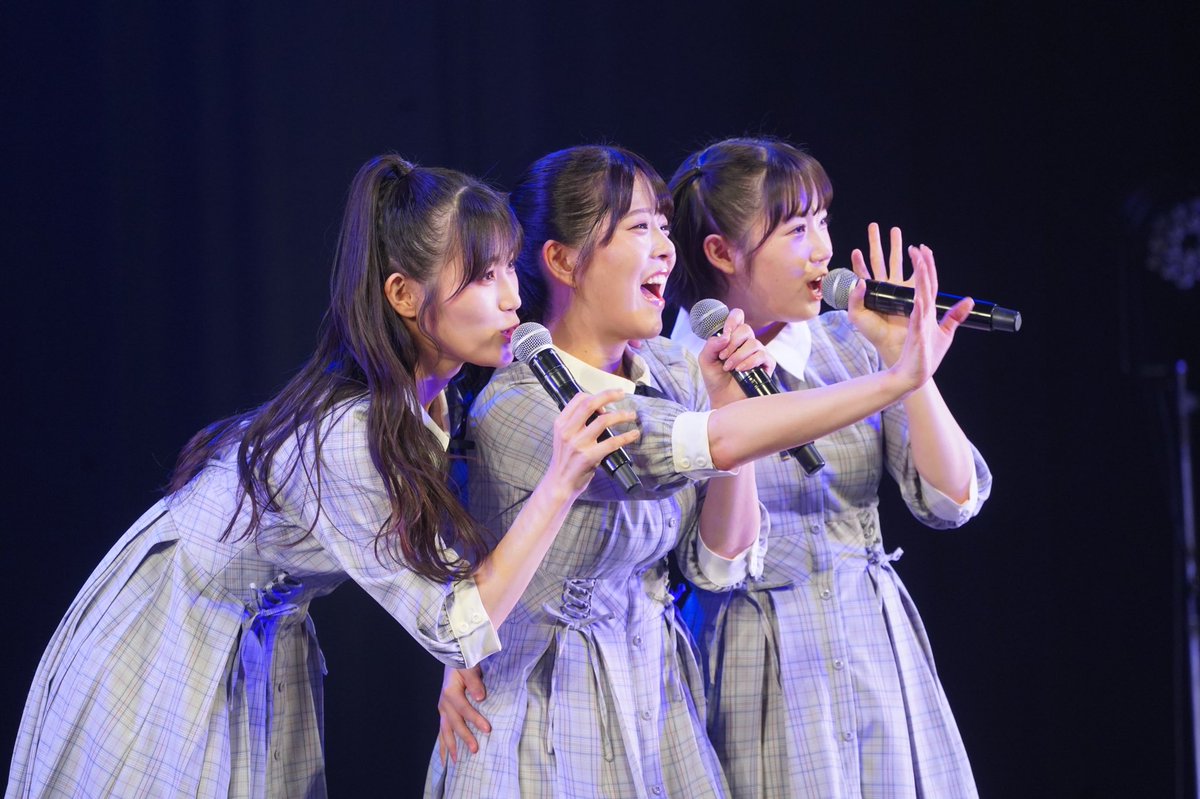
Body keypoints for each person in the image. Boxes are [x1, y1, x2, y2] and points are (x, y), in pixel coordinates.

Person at [5, 155, 638, 799]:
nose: (513, 298)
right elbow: (454, 626)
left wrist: (464, 660)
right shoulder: (348, 433)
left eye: (507, 268)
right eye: (482, 276)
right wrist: (560, 484)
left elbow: (452, 579)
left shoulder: (432, 402)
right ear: (403, 294)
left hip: (261, 630)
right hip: (176, 627)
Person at [429, 145, 974, 798]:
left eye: (664, 227)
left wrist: (728, 403)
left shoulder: (670, 368)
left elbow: (719, 558)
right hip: (553, 713)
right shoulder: (518, 401)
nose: (665, 249)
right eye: (641, 228)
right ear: (564, 261)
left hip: (658, 700)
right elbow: (690, 445)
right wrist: (895, 379)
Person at [667, 136, 991, 798]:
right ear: (722, 253)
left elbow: (952, 498)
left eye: (822, 222)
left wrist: (908, 367)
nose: (822, 249)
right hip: (760, 656)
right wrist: (734, 418)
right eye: (795, 230)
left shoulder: (849, 344)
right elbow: (718, 564)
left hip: (874, 643)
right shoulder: (672, 374)